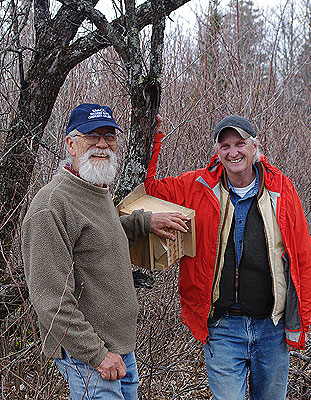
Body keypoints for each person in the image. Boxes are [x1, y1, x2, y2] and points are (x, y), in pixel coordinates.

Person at [22, 103, 189, 400]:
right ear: (71, 144)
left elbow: (99, 239)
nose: (102, 145)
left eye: (109, 137)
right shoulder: (52, 205)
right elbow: (50, 301)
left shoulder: (95, 191)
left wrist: (144, 222)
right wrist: (96, 354)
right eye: (92, 136)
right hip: (91, 356)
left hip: (119, 347)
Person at [144, 114, 311, 399]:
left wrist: (299, 323)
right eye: (225, 146)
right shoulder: (198, 185)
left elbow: (302, 258)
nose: (233, 152)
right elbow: (151, 190)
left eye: (239, 143)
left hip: (271, 327)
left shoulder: (281, 190)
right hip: (222, 327)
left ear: (254, 146)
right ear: (217, 152)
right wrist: (152, 138)